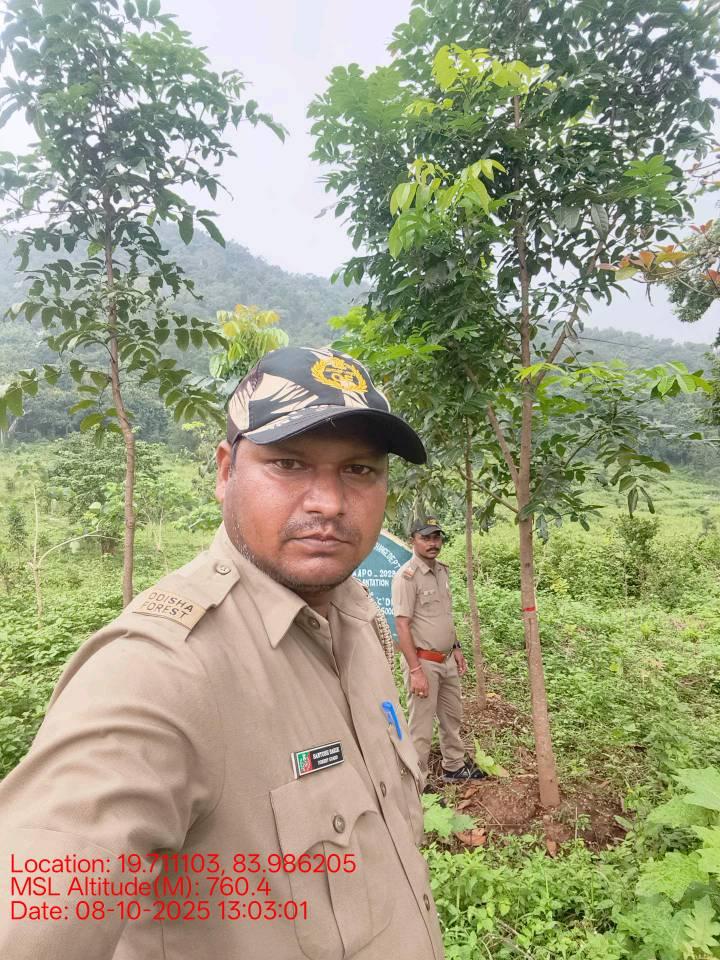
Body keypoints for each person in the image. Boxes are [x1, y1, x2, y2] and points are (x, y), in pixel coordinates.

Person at [0, 347, 445, 960]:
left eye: (359, 470)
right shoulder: (158, 670)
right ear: (225, 470)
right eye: (289, 463)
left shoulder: (358, 618)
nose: (329, 502)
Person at [392, 517, 485, 790]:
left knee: (451, 716)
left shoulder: (442, 571)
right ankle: (417, 784)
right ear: (413, 540)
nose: (433, 543)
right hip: (423, 662)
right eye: (426, 538)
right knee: (421, 727)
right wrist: (415, 671)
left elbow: (444, 615)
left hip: (447, 660)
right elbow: (402, 625)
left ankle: (453, 766)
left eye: (436, 537)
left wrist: (456, 648)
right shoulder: (407, 577)